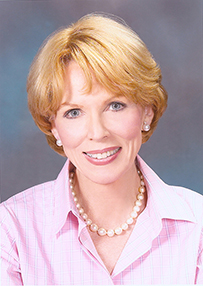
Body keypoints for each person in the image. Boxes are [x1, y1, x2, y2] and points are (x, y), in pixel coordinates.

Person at [1, 13, 203, 285]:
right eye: (74, 112)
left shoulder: (197, 226)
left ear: (146, 111)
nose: (97, 132)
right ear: (54, 127)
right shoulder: (11, 230)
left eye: (115, 105)